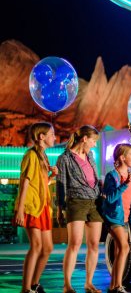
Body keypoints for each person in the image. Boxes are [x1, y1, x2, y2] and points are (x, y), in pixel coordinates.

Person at [56, 125, 102, 293]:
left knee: (94, 244)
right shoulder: (65, 158)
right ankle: (67, 285)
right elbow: (61, 185)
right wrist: (59, 208)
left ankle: (88, 284)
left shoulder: (90, 155)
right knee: (74, 243)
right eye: (93, 141)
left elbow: (94, 178)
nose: (94, 144)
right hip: (76, 201)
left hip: (94, 202)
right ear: (84, 139)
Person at [13, 122, 57, 293]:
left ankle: (34, 284)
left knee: (48, 248)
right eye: (52, 134)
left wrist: (52, 176)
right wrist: (20, 210)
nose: (54, 137)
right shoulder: (31, 155)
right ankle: (26, 288)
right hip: (32, 206)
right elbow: (25, 183)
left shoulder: (43, 156)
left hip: (43, 205)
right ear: (41, 137)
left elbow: (41, 184)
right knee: (37, 246)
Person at [103, 143, 131, 293]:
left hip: (124, 218)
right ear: (122, 157)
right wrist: (124, 185)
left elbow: (127, 198)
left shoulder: (129, 176)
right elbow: (110, 198)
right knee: (125, 248)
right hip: (113, 218)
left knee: (120, 251)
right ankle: (117, 286)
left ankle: (114, 286)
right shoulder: (113, 176)